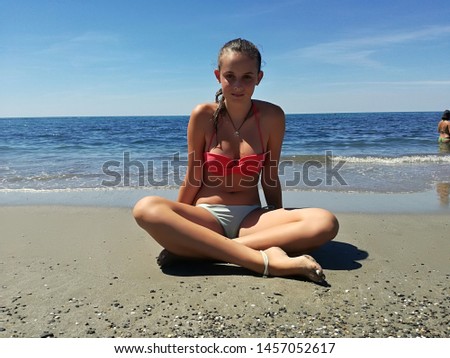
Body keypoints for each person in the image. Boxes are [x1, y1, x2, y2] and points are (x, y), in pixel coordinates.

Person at [133, 38, 339, 283]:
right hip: (206, 216)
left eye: (247, 77)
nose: (238, 85)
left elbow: (270, 177)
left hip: (252, 219)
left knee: (325, 222)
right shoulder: (203, 115)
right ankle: (267, 262)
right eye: (230, 76)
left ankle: (206, 251)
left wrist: (277, 221)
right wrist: (181, 219)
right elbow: (193, 176)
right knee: (145, 208)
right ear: (218, 75)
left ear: (259, 78)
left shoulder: (272, 116)